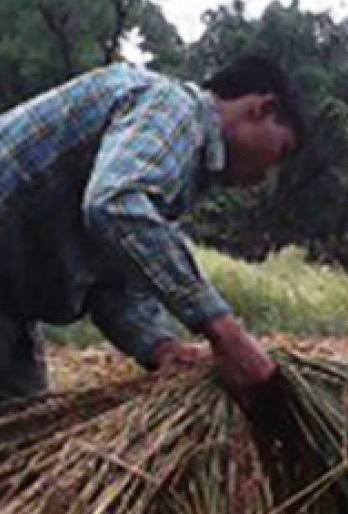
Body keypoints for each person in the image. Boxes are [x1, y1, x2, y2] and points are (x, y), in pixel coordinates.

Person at [0, 53, 306, 405]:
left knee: (23, 435)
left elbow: (113, 283)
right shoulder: (173, 109)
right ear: (262, 108)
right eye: (281, 151)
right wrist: (224, 329)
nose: (266, 176)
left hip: (10, 309)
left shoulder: (175, 172)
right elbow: (116, 204)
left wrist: (162, 347)